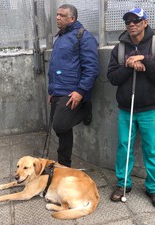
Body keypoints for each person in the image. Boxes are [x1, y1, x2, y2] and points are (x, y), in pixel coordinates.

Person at [107, 8, 155, 208]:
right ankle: (123, 184)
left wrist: (144, 59)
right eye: (127, 21)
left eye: (136, 20)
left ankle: (153, 188)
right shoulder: (118, 49)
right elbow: (112, 78)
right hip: (127, 109)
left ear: (145, 22)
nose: (131, 24)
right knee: (124, 148)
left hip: (150, 109)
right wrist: (128, 64)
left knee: (150, 149)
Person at [47, 4, 99, 167]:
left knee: (60, 124)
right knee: (61, 131)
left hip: (72, 92)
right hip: (58, 91)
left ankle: (84, 109)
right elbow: (56, 66)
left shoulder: (83, 37)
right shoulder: (59, 38)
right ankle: (64, 166)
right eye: (57, 15)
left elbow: (91, 68)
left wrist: (81, 91)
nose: (58, 18)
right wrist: (52, 90)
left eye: (62, 15)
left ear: (72, 18)